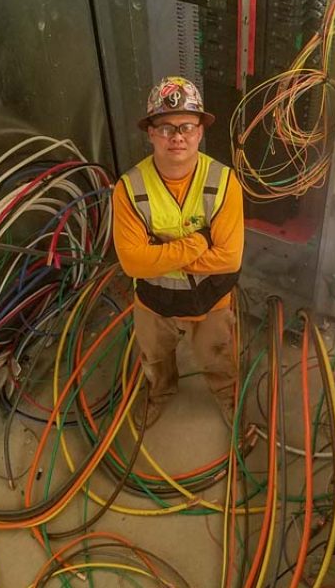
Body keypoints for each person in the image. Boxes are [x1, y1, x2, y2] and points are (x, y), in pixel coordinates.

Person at [112, 76, 244, 428]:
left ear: (200, 131)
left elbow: (229, 258)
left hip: (211, 297)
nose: (177, 136)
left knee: (216, 356)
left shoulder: (224, 182)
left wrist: (159, 253)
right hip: (155, 301)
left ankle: (229, 399)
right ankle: (160, 393)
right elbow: (131, 262)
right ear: (151, 133)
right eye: (166, 128)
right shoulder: (129, 189)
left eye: (186, 126)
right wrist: (200, 242)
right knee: (155, 357)